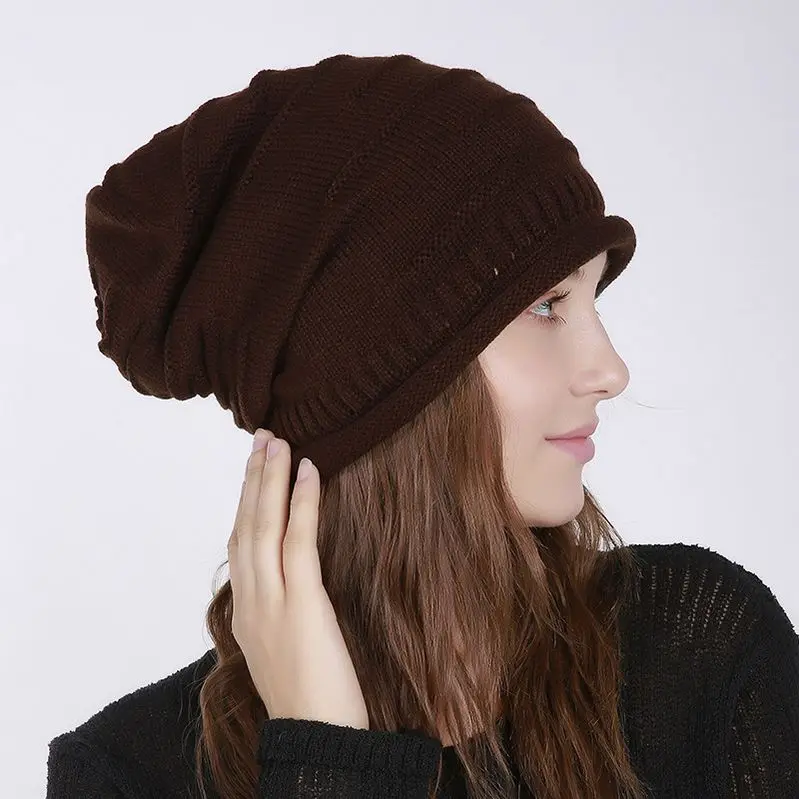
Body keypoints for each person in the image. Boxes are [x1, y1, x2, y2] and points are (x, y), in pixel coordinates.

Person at [47, 53, 799, 799]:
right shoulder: (126, 775)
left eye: (593, 301)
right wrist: (322, 755)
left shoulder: (700, 651)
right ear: (379, 375)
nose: (609, 369)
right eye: (545, 305)